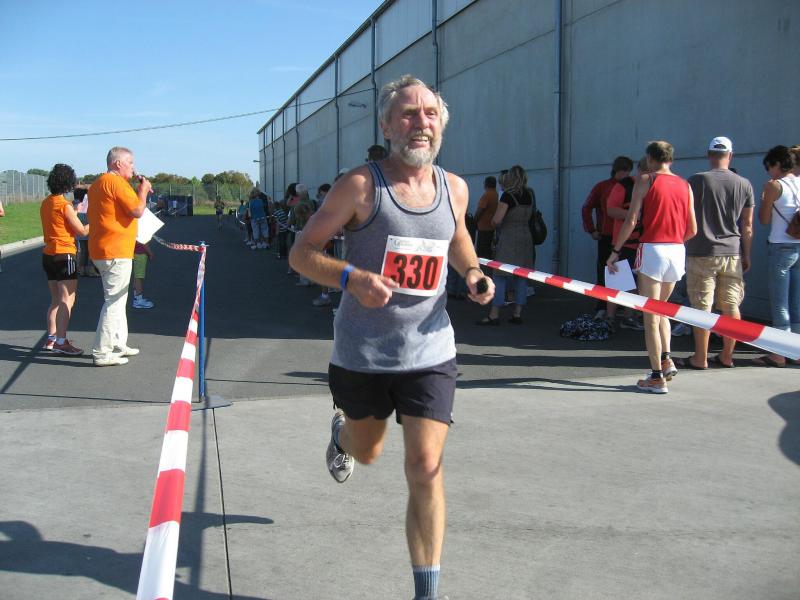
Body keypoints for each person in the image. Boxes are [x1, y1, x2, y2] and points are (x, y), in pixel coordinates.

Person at [289, 75, 494, 600]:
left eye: (430, 113)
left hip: (431, 348)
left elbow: (458, 236)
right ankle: (343, 436)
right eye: (408, 113)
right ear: (386, 125)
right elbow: (301, 252)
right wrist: (350, 278)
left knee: (425, 467)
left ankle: (427, 592)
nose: (420, 123)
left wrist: (472, 272)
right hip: (363, 353)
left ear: (441, 124)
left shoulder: (454, 188)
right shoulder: (361, 186)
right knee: (368, 450)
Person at [607, 141, 697, 393]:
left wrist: (615, 251)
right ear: (671, 158)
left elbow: (631, 219)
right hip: (676, 250)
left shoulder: (646, 180)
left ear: (649, 158)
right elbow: (692, 229)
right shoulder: (685, 184)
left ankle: (656, 376)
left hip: (652, 249)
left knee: (650, 315)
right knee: (662, 310)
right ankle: (665, 360)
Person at [678, 136, 754, 369]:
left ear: (709, 155)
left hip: (701, 251)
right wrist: (747, 254)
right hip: (732, 252)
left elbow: (684, 216)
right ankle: (727, 355)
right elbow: (747, 225)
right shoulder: (744, 184)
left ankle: (700, 357)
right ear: (730, 155)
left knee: (702, 307)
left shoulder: (696, 181)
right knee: (731, 305)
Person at [88, 146, 151, 367]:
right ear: (118, 163)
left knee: (118, 299)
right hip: (115, 250)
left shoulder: (98, 183)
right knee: (114, 302)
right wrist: (143, 191)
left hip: (103, 249)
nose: (133, 167)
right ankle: (102, 352)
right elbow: (137, 210)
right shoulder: (117, 183)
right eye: (130, 162)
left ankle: (117, 343)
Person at [753, 145, 800, 367]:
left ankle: (779, 352)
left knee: (780, 302)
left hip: (781, 246)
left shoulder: (774, 186)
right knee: (796, 301)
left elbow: (763, 219)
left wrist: (765, 198)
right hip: (798, 246)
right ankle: (796, 350)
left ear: (777, 164)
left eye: (769, 167)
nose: (769, 171)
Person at [40, 164, 89, 355]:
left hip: (49, 254)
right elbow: (81, 231)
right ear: (68, 183)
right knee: (67, 300)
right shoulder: (64, 205)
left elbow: (60, 222)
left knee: (55, 300)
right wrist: (97, 221)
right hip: (65, 254)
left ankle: (51, 339)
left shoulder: (46, 203)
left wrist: (74, 211)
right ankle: (61, 341)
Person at [477, 165, 533, 325]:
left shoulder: (508, 196)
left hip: (509, 238)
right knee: (522, 276)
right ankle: (517, 313)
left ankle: (494, 314)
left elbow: (496, 220)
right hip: (526, 237)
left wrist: (493, 223)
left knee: (500, 274)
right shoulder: (529, 195)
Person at [583, 156, 634, 320]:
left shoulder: (631, 186)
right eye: (624, 171)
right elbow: (586, 207)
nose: (626, 174)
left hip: (623, 237)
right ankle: (604, 306)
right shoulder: (603, 187)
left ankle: (616, 308)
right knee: (607, 272)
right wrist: (592, 229)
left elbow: (586, 207)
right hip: (610, 236)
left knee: (621, 274)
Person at [605, 156, 646, 330]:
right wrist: (634, 216)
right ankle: (609, 318)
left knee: (636, 284)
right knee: (617, 281)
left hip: (645, 245)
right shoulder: (624, 186)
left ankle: (629, 317)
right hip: (623, 243)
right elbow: (611, 210)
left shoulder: (655, 187)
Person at [474, 176, 498, 259]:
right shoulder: (496, 194)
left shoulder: (487, 195)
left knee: (481, 253)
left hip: (483, 228)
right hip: (492, 227)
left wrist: (474, 221)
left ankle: (482, 267)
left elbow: (480, 210)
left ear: (486, 184)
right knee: (488, 252)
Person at [132, 240, 155, 309]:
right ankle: (138, 300)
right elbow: (144, 241)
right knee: (138, 277)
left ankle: (136, 298)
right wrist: (150, 253)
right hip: (140, 255)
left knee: (136, 276)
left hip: (135, 253)